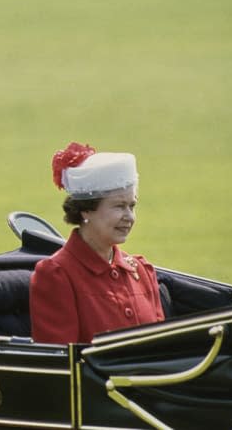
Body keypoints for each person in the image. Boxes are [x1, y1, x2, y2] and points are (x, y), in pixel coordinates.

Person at [29, 142, 165, 344]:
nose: (129, 217)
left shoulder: (142, 271)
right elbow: (61, 362)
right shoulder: (57, 275)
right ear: (86, 210)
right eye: (119, 206)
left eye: (132, 206)